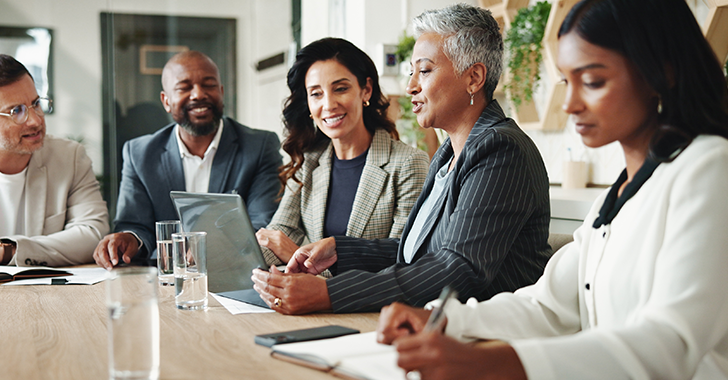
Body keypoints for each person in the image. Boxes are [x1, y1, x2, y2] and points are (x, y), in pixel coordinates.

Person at [376, 0, 728, 379]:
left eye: (592, 81)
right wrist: (441, 318)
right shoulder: (617, 197)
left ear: (662, 72)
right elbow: (549, 305)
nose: (571, 104)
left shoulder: (710, 169)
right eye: (566, 82)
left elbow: (670, 342)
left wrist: (497, 363)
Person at [252, 4, 551, 315]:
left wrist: (330, 293)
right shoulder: (449, 153)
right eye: (412, 72)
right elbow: (417, 252)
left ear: (473, 78)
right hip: (439, 328)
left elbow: (459, 268)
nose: (410, 86)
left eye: (424, 70)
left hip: (488, 339)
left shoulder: (501, 149)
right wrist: (339, 249)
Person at [93, 51, 282, 269]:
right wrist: (128, 238)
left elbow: (263, 223)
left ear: (221, 92)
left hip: (236, 275)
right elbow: (135, 224)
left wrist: (216, 246)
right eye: (184, 88)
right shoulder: (139, 153)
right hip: (164, 277)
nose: (198, 94)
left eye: (209, 85)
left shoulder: (259, 146)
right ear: (166, 101)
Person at [255, 37, 430, 267]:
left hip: (365, 301)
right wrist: (225, 256)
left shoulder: (408, 163)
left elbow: (401, 261)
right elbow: (279, 234)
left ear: (366, 90)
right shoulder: (309, 160)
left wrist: (296, 257)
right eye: (316, 93)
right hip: (301, 299)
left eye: (340, 89)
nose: (328, 104)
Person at [0, 54, 109, 266]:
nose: (35, 120)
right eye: (17, 111)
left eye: (36, 104)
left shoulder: (70, 157)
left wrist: (10, 250)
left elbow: (92, 234)